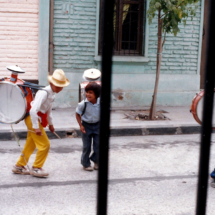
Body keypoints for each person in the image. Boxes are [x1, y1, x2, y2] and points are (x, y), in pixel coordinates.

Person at [12, 69, 70, 177]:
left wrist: (51, 124)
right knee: (45, 145)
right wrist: (36, 127)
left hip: (36, 119)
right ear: (52, 83)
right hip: (32, 119)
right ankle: (36, 168)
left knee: (31, 143)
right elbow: (33, 110)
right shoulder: (43, 93)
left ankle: (19, 166)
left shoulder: (52, 94)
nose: (60, 88)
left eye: (61, 86)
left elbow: (48, 111)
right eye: (58, 86)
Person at [76, 82, 101, 171]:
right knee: (86, 146)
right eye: (86, 92)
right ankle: (86, 164)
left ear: (96, 94)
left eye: (90, 92)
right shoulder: (83, 104)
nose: (87, 94)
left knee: (98, 145)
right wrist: (81, 125)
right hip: (86, 126)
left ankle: (96, 161)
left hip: (98, 125)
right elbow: (77, 114)